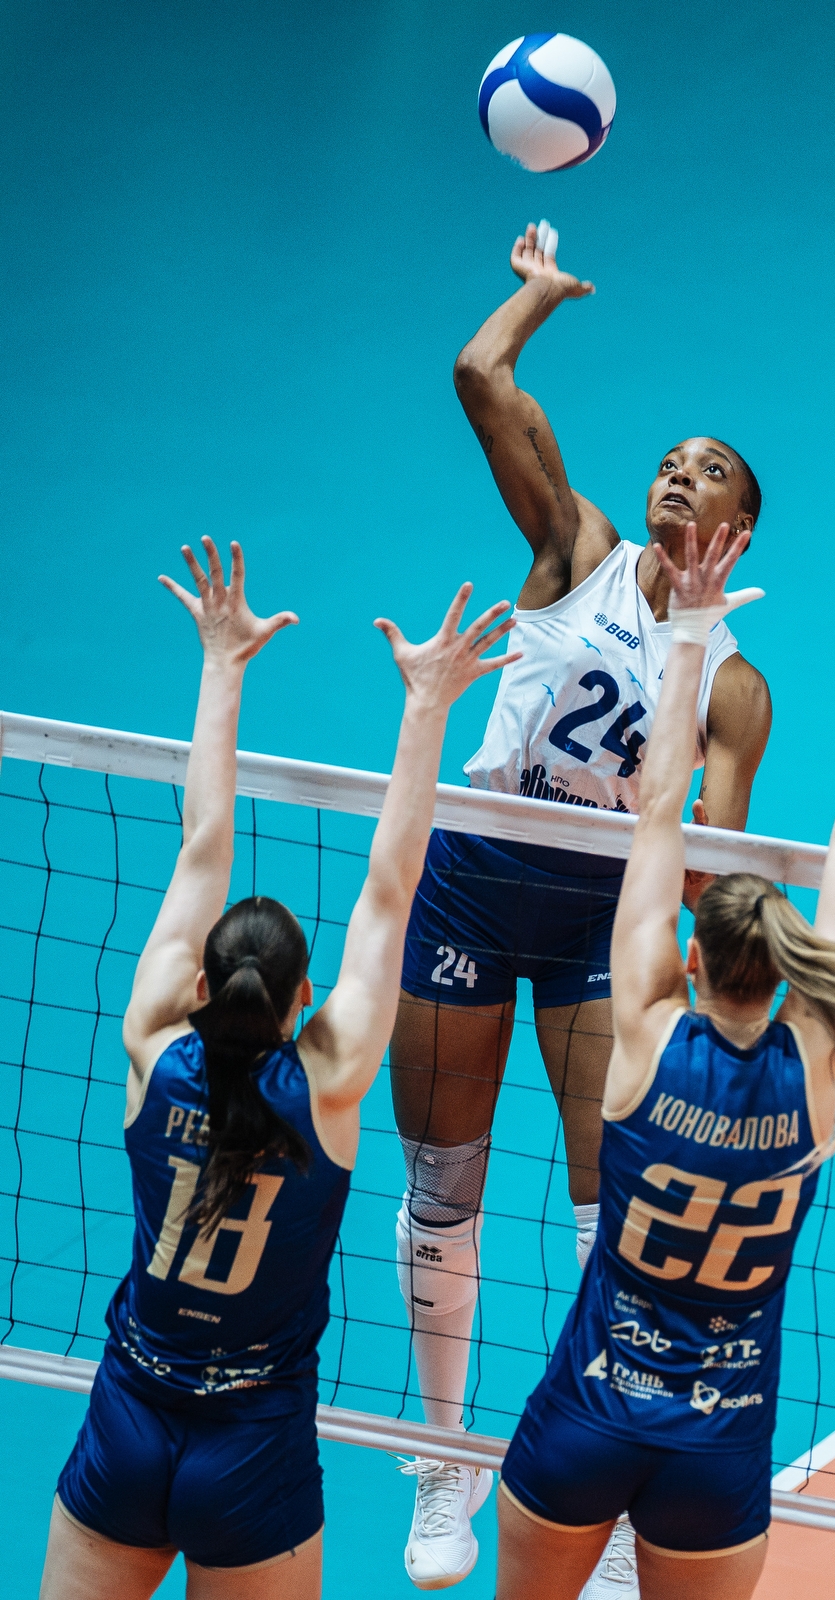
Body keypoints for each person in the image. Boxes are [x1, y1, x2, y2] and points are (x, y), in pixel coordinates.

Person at [390, 222, 772, 1590]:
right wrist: (536, 296)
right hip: (474, 879)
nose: (676, 470)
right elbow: (477, 378)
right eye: (670, 456)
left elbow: (712, 869)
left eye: (706, 468)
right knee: (443, 1178)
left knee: (611, 1209)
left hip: (601, 925)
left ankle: (597, 1481)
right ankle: (442, 1457)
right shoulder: (577, 547)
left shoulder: (734, 687)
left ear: (733, 529)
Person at [493, 522, 835, 1600]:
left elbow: (659, 806)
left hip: (586, 1416)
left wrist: (691, 633)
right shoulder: (822, 1064)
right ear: (792, 969)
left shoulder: (645, 1030)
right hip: (717, 1445)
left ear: (689, 956)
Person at [38, 538, 517, 1600]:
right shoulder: (329, 1083)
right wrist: (428, 703)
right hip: (253, 1446)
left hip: (130, 1417)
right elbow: (392, 887)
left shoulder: (153, 1046)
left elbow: (202, 844)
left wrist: (221, 660)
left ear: (199, 987)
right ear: (305, 1000)